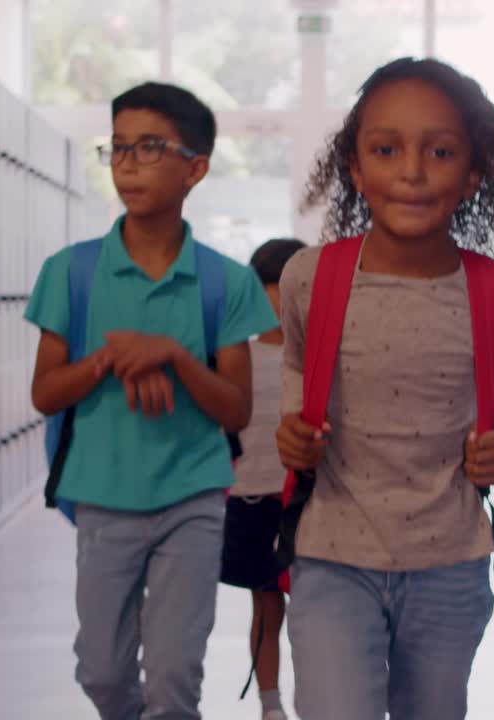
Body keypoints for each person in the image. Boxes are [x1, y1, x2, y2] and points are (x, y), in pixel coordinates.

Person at [275, 58, 494, 719]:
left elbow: (486, 412)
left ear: (475, 171)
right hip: (332, 557)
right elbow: (297, 379)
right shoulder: (311, 278)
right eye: (386, 150)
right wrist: (292, 437)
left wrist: (492, 457)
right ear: (356, 169)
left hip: (450, 562)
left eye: (440, 151)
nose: (412, 171)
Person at [25, 82, 278, 720]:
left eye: (149, 147)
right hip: (102, 501)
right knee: (104, 672)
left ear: (195, 167)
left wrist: (173, 355)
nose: (127, 163)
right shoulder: (72, 272)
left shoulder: (226, 280)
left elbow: (236, 409)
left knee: (173, 679)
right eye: (117, 148)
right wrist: (111, 357)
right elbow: (45, 392)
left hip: (191, 500)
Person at [220, 238, 307, 720]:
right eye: (268, 287)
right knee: (267, 609)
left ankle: (312, 697)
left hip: (306, 501)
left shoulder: (316, 359)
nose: (278, 299)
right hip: (252, 499)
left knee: (315, 612)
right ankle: (270, 703)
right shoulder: (239, 356)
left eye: (287, 287)